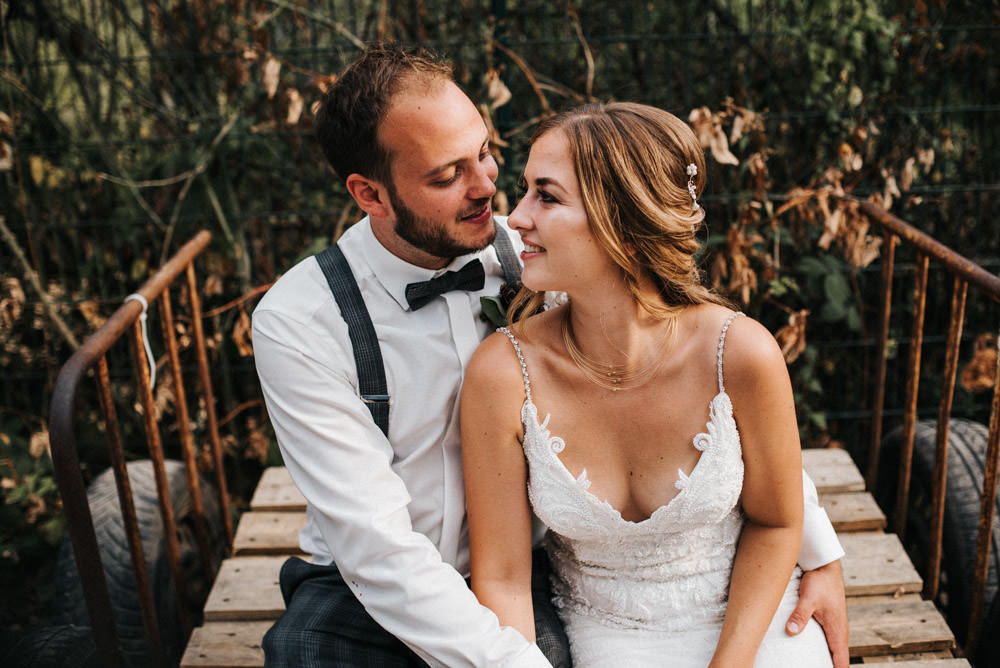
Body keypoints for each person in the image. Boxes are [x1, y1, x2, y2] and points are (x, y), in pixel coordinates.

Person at [252, 43, 848, 667]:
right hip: (366, 588)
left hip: (524, 570)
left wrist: (819, 551)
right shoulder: (302, 321)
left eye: (483, 153)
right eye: (447, 175)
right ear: (370, 195)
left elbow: (692, 379)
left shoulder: (542, 252)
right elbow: (374, 547)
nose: (490, 190)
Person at [461, 102, 839, 667]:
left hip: (750, 624)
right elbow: (505, 577)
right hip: (605, 635)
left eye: (547, 195)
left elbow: (777, 519)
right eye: (524, 192)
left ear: (627, 229)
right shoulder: (502, 372)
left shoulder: (741, 354)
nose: (514, 219)